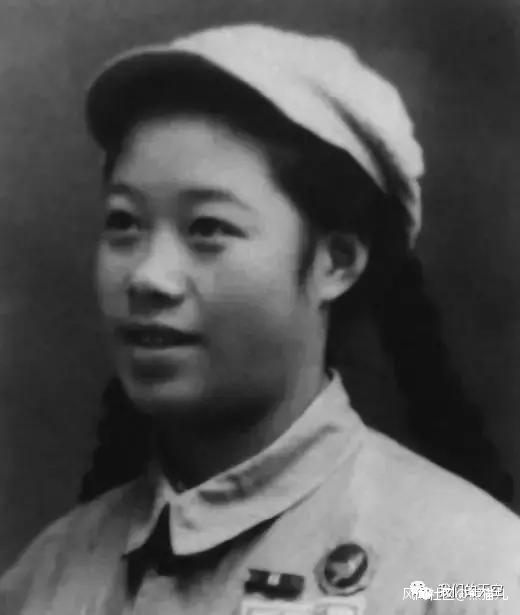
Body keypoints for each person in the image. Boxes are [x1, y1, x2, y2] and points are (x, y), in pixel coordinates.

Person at [1, 23, 519, 615]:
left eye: (208, 228)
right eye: (124, 222)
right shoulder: (47, 579)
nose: (148, 276)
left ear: (335, 262)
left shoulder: (470, 574)